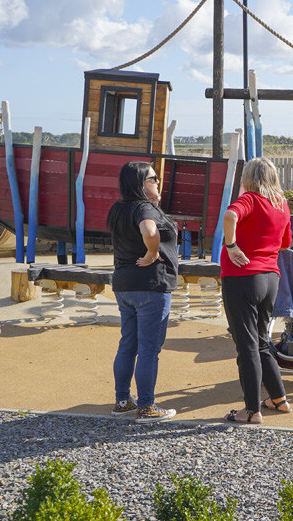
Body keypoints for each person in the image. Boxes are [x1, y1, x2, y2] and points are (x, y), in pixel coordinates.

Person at [221, 157, 292, 424]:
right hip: (270, 278)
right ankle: (279, 399)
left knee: (247, 345)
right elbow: (285, 243)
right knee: (262, 342)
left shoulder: (250, 199)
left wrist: (232, 246)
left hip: (242, 277)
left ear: (248, 178)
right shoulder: (281, 204)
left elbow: (230, 216)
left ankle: (251, 410)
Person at [107, 161, 178, 424]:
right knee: (149, 348)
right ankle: (147, 406)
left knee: (128, 344)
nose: (158, 182)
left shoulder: (118, 207)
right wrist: (152, 253)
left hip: (124, 285)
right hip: (150, 285)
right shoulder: (144, 207)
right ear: (139, 183)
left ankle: (122, 401)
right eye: (152, 178)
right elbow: (149, 231)